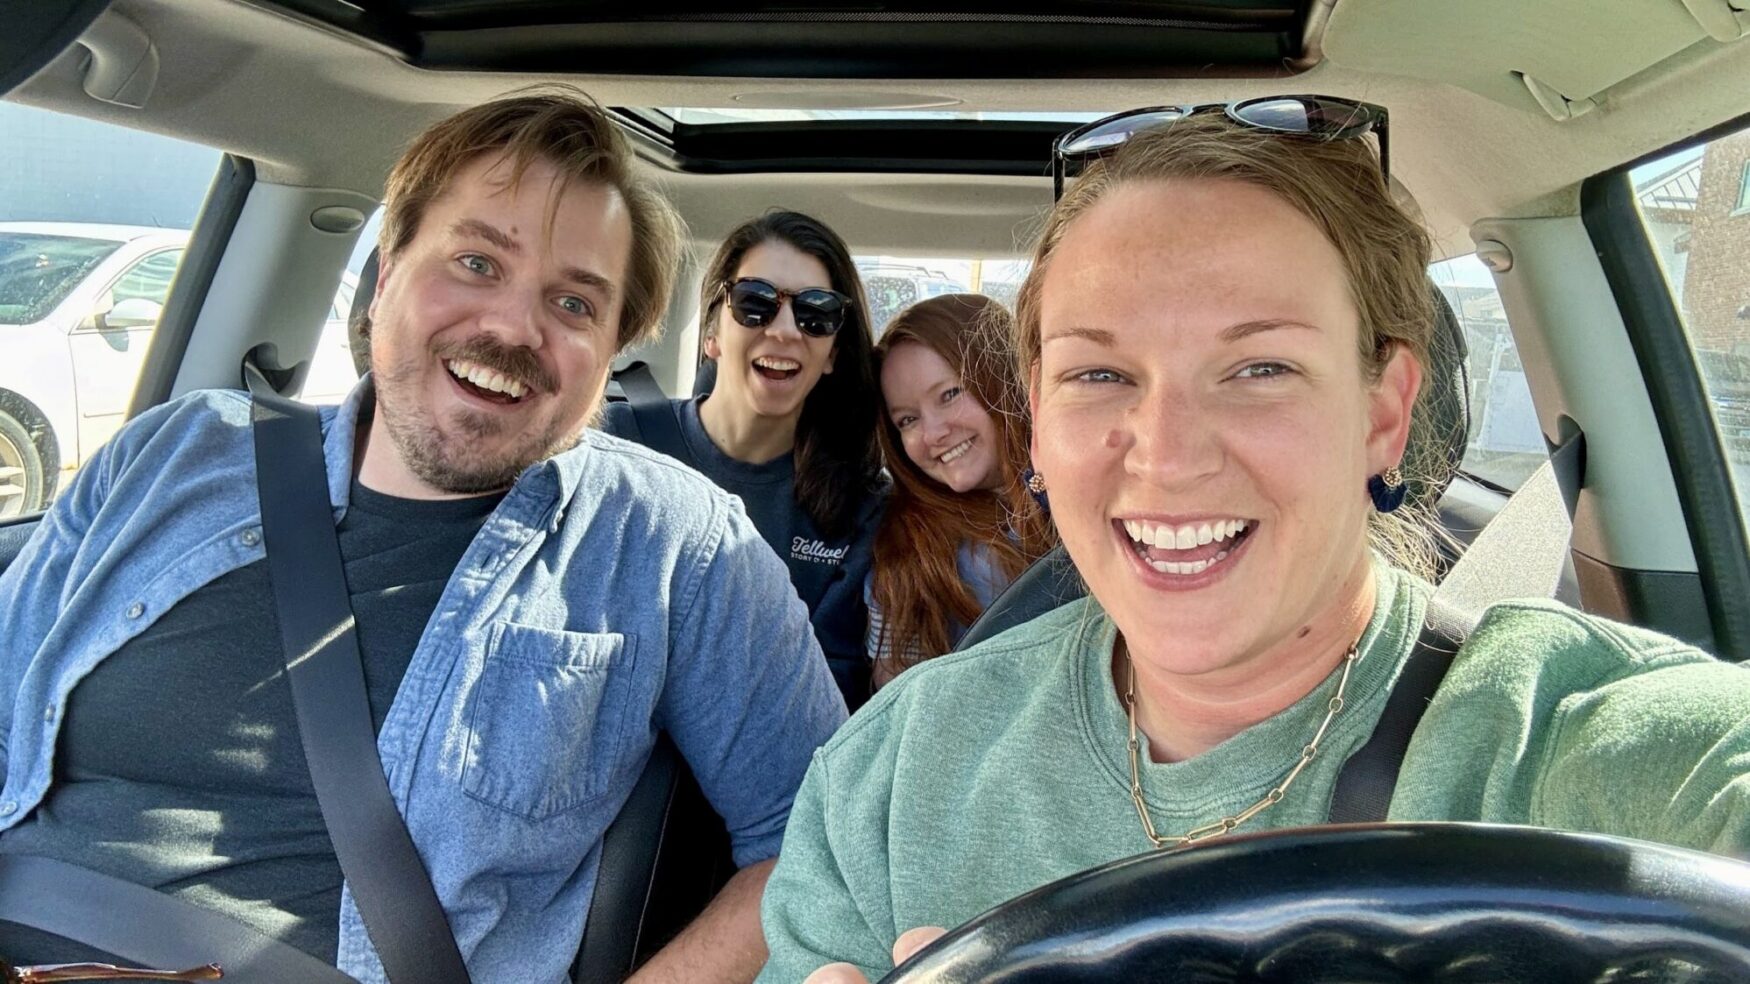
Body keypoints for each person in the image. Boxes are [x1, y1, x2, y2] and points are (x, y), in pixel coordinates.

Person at [755, 106, 1750, 983]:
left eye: (1258, 366)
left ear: (1382, 412)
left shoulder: (1572, 743)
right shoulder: (888, 775)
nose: (1168, 456)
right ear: (1042, 430)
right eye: (1098, 375)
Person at [0, 88, 847, 984]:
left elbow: (824, 834)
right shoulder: (171, 454)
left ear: (610, 355)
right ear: (385, 273)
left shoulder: (675, 544)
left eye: (574, 304)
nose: (514, 327)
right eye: (478, 262)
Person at [600, 211, 886, 708]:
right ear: (712, 333)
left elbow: (823, 696)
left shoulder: (859, 505)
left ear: (834, 354)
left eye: (816, 313)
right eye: (755, 303)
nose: (784, 330)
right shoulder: (616, 442)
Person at [864, 294, 1053, 684]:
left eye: (949, 395)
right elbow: (898, 711)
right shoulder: (906, 554)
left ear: (1002, 376)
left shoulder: (1081, 499)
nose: (933, 433)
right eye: (908, 420)